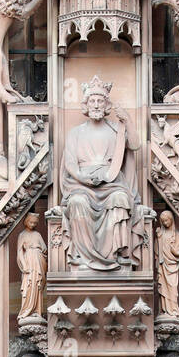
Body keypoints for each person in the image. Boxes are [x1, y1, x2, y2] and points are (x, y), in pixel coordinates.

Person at [60, 76, 146, 272]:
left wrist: (129, 121)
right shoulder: (75, 133)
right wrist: (82, 178)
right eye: (92, 100)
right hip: (81, 185)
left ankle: (115, 255)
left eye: (100, 100)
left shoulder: (116, 129)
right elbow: (70, 163)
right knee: (77, 202)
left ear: (106, 104)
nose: (96, 104)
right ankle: (84, 258)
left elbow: (135, 145)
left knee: (121, 198)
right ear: (86, 104)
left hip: (112, 182)